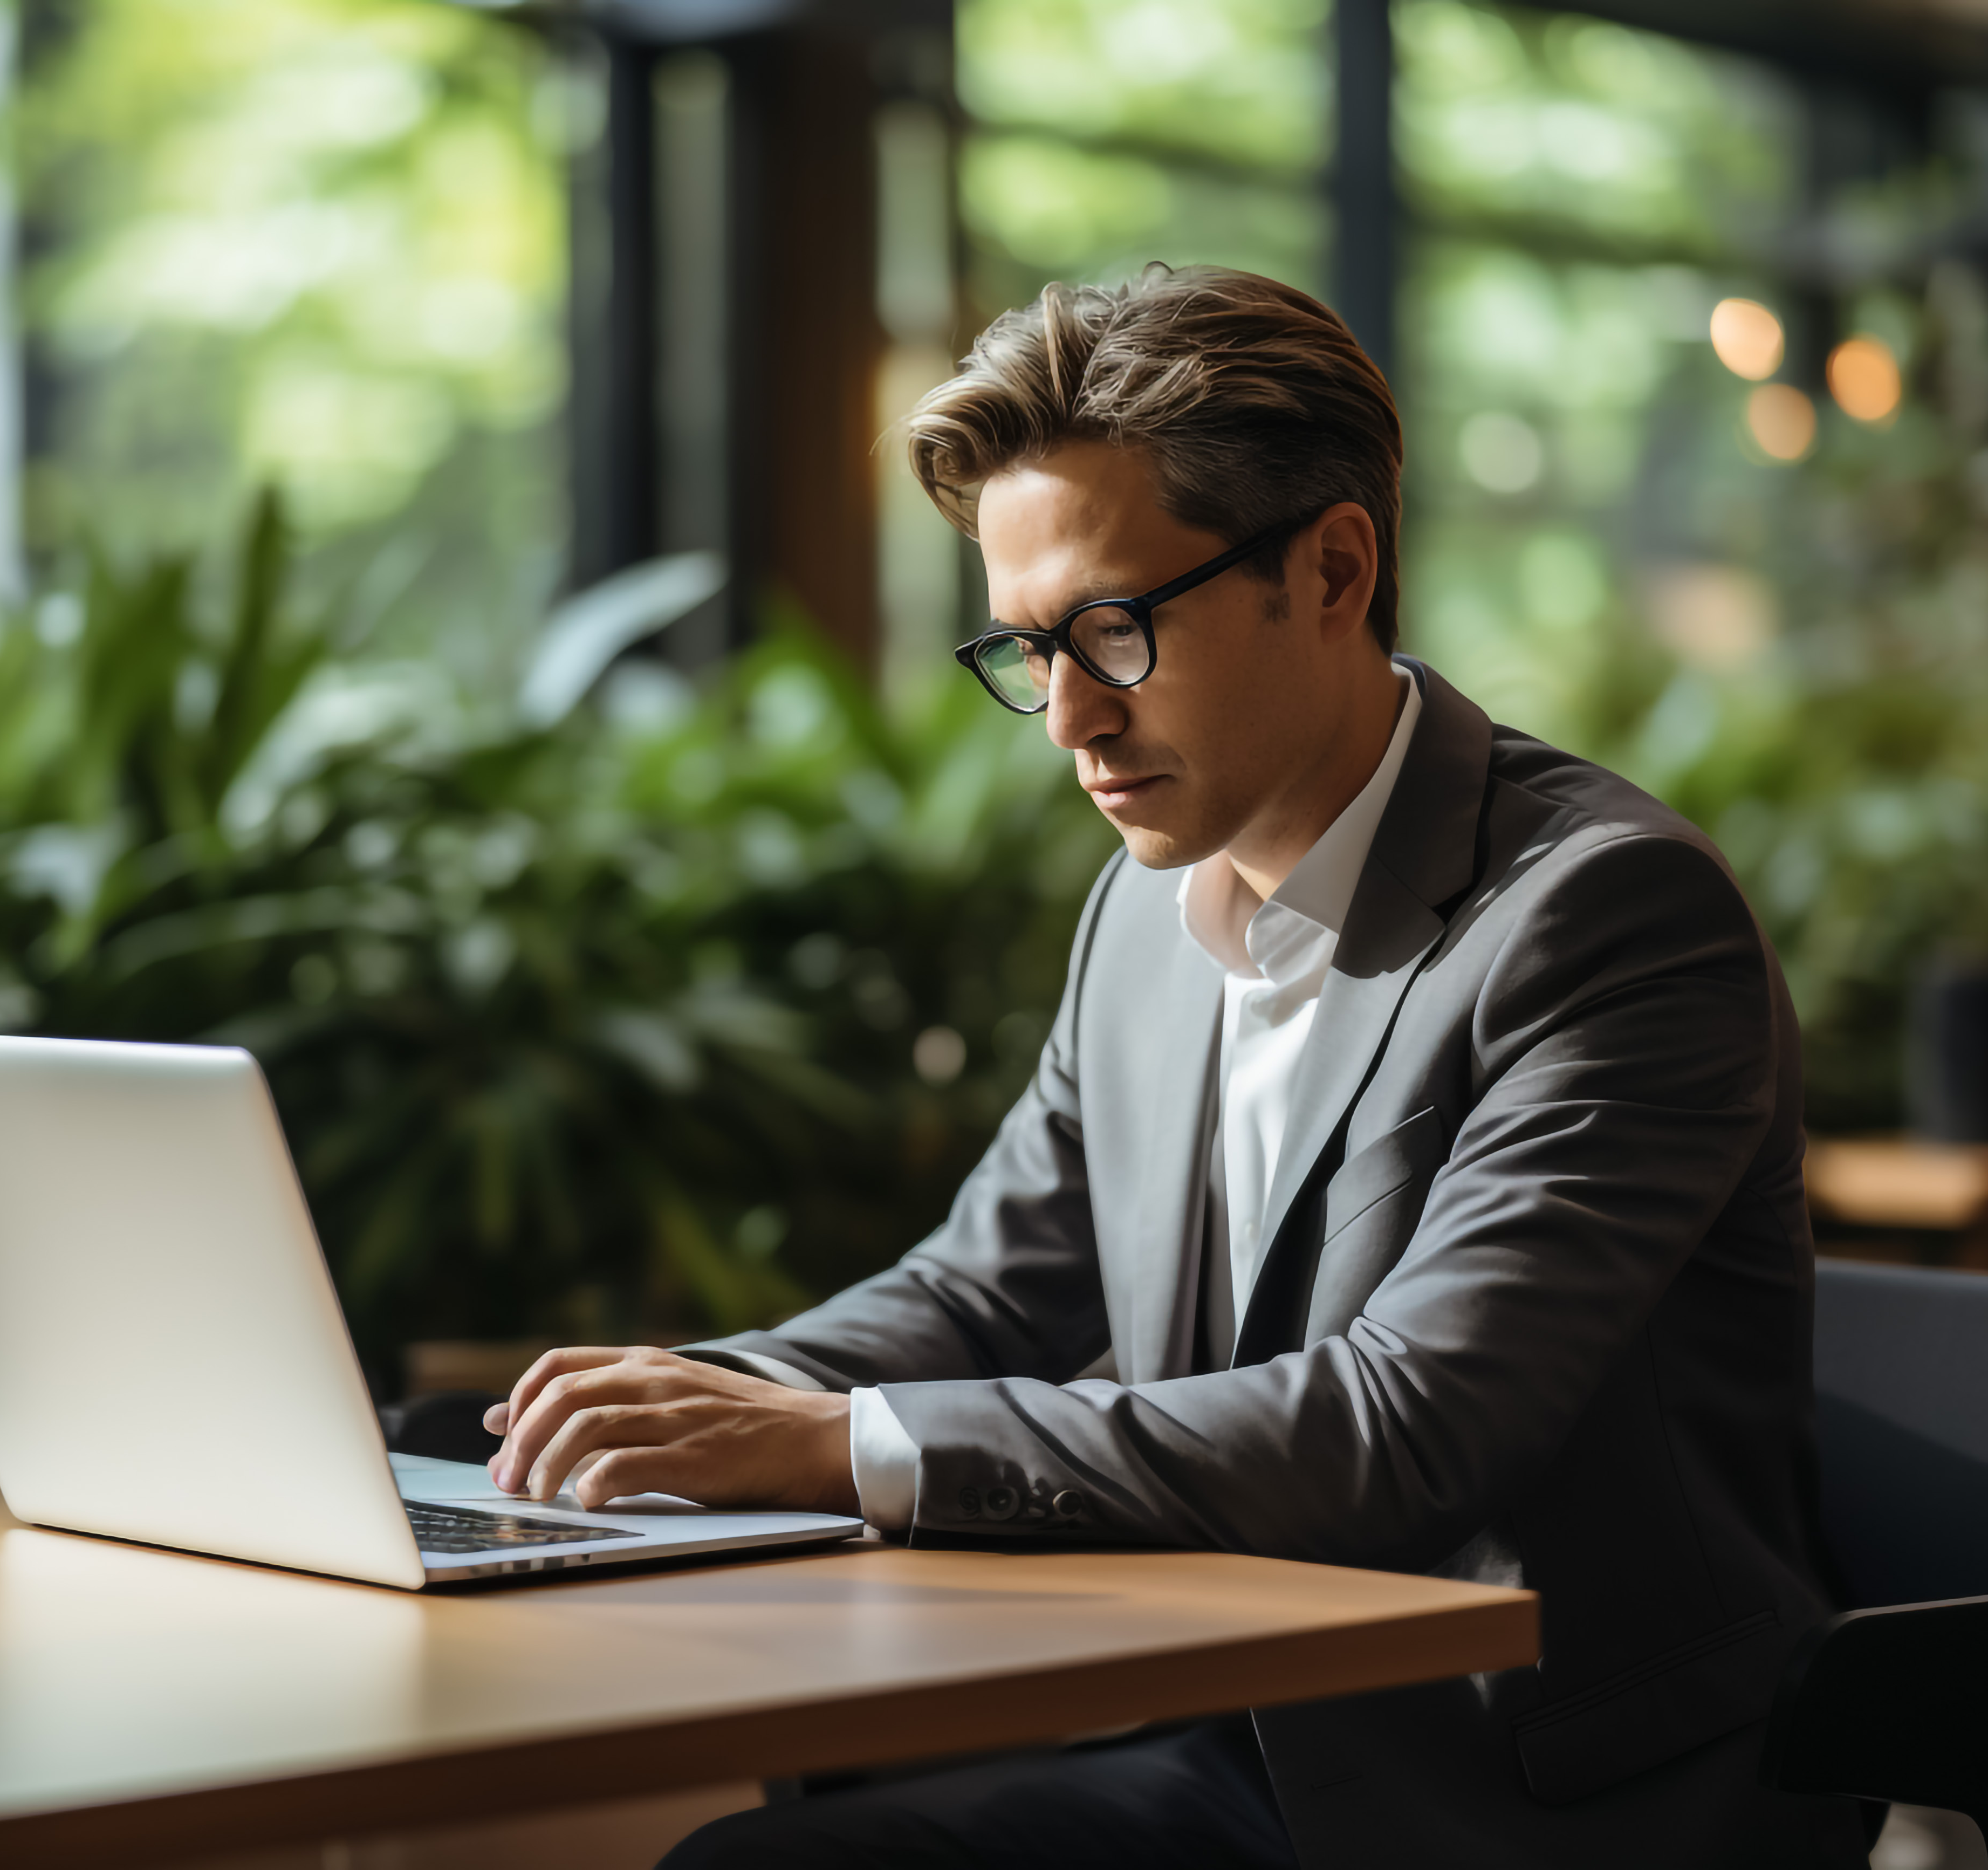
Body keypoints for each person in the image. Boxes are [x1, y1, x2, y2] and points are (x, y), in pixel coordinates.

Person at [479, 265, 1872, 1868]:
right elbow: (981, 1292)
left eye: (1114, 629)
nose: (1066, 718)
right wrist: (667, 1410)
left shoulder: (1606, 916)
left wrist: (832, 1446)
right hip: (1247, 1744)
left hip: (1538, 1799)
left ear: (1333, 566)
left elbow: (1403, 1427)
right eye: (1022, 650)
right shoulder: (1145, 913)